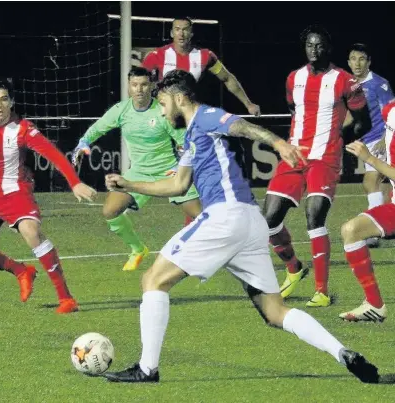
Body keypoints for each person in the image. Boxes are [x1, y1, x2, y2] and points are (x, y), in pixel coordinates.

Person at [102, 70, 379, 384]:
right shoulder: (193, 134)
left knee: (153, 280)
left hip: (225, 216)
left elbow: (242, 126)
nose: (162, 111)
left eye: (163, 103)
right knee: (274, 311)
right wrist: (128, 183)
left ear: (180, 99)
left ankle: (147, 368)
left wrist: (279, 143)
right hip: (249, 223)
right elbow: (178, 185)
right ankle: (341, 352)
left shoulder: (206, 116)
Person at [263, 25, 372, 307]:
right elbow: (294, 110)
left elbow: (364, 121)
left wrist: (340, 138)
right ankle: (294, 269)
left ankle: (321, 292)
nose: (314, 50)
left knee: (314, 217)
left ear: (328, 48)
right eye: (310, 45)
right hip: (294, 155)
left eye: (320, 45)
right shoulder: (293, 78)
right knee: (269, 220)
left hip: (325, 157)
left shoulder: (346, 81)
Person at [72, 67, 202, 272]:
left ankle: (219, 249)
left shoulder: (162, 110)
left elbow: (184, 141)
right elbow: (98, 127)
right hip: (138, 173)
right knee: (110, 211)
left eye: (143, 84)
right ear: (128, 86)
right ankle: (138, 249)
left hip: (169, 171)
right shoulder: (121, 110)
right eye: (134, 85)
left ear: (151, 86)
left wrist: (179, 167)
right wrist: (83, 143)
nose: (139, 89)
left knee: (199, 215)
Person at [0, 77, 97, 313]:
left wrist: (75, 182)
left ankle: (66, 299)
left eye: (4, 99)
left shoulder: (23, 129)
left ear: (12, 101)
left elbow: (54, 155)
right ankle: (21, 271)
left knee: (31, 231)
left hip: (16, 192)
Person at [339, 100, 395, 322]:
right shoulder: (389, 110)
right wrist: (383, 143)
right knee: (351, 230)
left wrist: (369, 158)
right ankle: (375, 305)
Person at [142, 16, 261, 117]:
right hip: (164, 115)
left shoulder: (205, 56)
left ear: (191, 33)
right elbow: (138, 82)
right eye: (177, 29)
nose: (181, 34)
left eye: (185, 30)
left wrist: (248, 104)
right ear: (172, 33)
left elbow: (227, 78)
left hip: (191, 116)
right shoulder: (156, 55)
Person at [347, 43, 395, 248]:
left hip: (380, 139)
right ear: (348, 62)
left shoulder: (379, 84)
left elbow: (391, 113)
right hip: (367, 140)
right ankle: (385, 223)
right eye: (353, 59)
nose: (357, 63)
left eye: (362, 59)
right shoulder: (350, 85)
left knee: (370, 181)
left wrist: (386, 140)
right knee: (383, 186)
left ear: (369, 62)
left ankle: (373, 236)